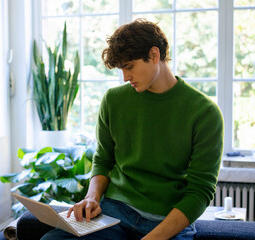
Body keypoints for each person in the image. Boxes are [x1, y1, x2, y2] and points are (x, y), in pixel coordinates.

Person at [41, 18, 224, 240]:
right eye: (122, 69)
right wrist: (92, 197)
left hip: (167, 219)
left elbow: (200, 192)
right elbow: (103, 159)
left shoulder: (204, 112)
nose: (126, 77)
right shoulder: (113, 100)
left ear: (154, 56)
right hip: (114, 212)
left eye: (129, 67)